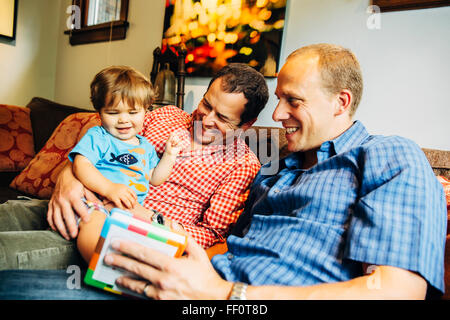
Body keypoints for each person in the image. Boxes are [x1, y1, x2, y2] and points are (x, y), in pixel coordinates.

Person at [84, 44, 447, 299]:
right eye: (279, 100)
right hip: (190, 283)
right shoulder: (275, 171)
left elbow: (397, 292)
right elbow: (223, 243)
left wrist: (223, 294)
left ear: (341, 102)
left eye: (293, 100)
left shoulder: (389, 156)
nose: (277, 115)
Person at [0, 63, 268, 270]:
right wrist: (67, 177)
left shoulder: (241, 165)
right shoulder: (168, 115)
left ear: (247, 124)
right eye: (206, 104)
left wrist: (150, 219)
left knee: (6, 252)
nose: (205, 119)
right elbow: (107, 135)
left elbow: (212, 234)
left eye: (222, 117)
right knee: (9, 213)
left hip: (120, 231)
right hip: (84, 198)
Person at [70, 66, 182, 211]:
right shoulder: (99, 136)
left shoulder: (146, 146)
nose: (123, 120)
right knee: (93, 227)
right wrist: (109, 189)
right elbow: (81, 165)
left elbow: (154, 178)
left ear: (145, 110)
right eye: (112, 113)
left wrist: (169, 155)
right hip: (94, 204)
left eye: (133, 112)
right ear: (99, 112)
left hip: (128, 213)